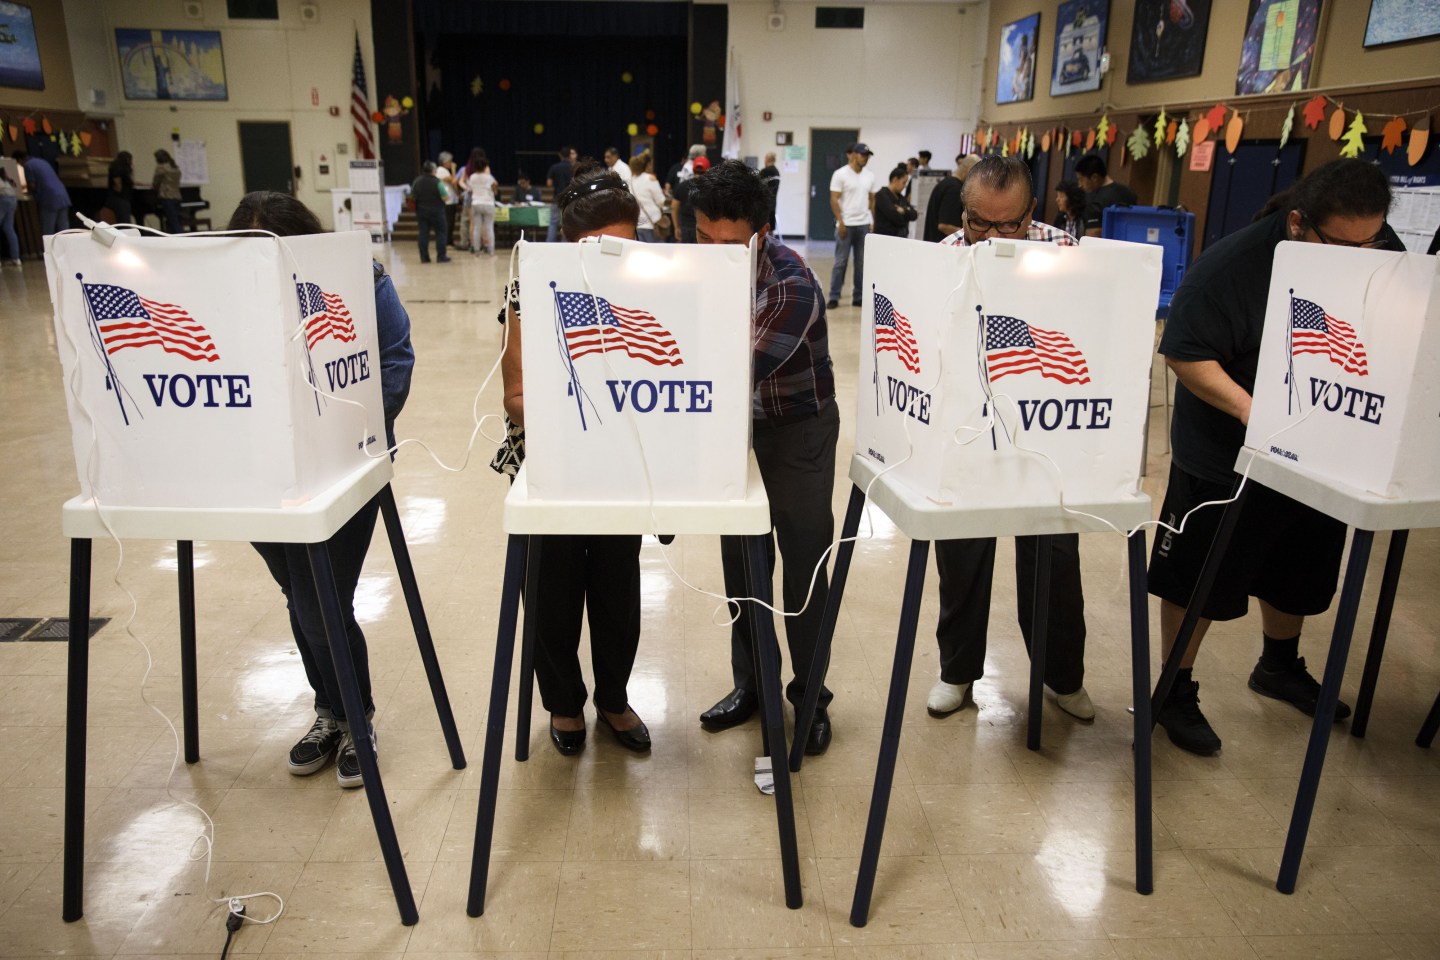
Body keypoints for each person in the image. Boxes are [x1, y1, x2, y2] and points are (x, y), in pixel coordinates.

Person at [1149, 159, 1403, 756]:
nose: (1362, 256)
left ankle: (1279, 666)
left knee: (1301, 562)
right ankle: (1174, 689)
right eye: (1345, 246)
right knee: (1202, 574)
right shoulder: (1232, 268)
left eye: (1372, 243)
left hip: (1318, 438)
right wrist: (1250, 410)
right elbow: (1184, 351)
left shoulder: (1367, 241)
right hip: (1224, 450)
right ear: (1298, 223)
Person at [226, 191, 415, 787]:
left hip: (343, 464)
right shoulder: (227, 293)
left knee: (320, 598)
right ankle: (331, 713)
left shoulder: (361, 278)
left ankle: (355, 719)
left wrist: (346, 434)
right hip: (260, 471)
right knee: (297, 593)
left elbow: (395, 359)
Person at [925, 156, 1095, 723]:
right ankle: (957, 673)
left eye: (1010, 225)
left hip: (1044, 430)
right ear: (964, 211)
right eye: (979, 223)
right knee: (962, 555)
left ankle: (1062, 676)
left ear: (1033, 214)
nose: (994, 238)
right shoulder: (943, 258)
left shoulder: (1065, 254)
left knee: (1054, 562)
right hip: (967, 429)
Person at [495, 162, 650, 756]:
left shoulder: (652, 285)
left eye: (624, 245)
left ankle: (613, 697)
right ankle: (563, 703)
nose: (612, 258)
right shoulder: (528, 288)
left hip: (622, 468)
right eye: (595, 247)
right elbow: (514, 400)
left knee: (618, 590)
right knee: (553, 593)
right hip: (554, 465)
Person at [689, 160, 839, 756]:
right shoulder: (692, 266)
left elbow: (732, 369)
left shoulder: (790, 284)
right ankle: (752, 685)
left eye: (730, 245)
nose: (713, 254)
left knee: (803, 568)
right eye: (702, 238)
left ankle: (809, 696)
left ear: (762, 232)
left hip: (796, 430)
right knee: (744, 568)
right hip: (732, 428)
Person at [827, 142, 876, 309]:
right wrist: (840, 221)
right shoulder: (840, 174)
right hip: (846, 225)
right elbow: (834, 199)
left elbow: (872, 199)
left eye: (867, 156)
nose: (865, 158)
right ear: (853, 154)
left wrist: (871, 220)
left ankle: (858, 296)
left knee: (861, 263)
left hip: (863, 225)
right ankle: (834, 296)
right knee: (840, 262)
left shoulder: (869, 176)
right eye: (862, 155)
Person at [1073, 154, 1137, 237]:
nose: (1080, 185)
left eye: (1081, 179)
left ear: (1094, 178)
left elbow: (1093, 236)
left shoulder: (1097, 202)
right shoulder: (1129, 193)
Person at [923, 153, 980, 243]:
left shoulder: (946, 183)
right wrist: (972, 235)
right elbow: (945, 225)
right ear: (969, 170)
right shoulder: (954, 189)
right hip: (942, 249)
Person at [14, 150, 70, 235]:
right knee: (64, 229)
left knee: (48, 229)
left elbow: (32, 185)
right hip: (62, 195)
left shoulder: (28, 165)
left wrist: (27, 192)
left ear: (19, 160)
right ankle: (67, 247)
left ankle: (48, 248)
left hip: (49, 198)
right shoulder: (41, 161)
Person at [410, 161, 450, 263]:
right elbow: (445, 197)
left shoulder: (417, 181)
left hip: (421, 211)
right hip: (437, 212)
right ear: (433, 170)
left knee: (423, 233)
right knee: (441, 233)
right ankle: (441, 256)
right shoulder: (438, 182)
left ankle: (424, 257)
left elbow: (412, 196)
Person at [669, 155, 709, 243]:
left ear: (693, 169)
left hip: (685, 228)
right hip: (703, 230)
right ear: (707, 170)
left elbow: (673, 207)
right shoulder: (710, 188)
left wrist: (676, 227)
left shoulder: (682, 185)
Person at [629, 152, 666, 243]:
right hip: (652, 223)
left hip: (638, 223)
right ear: (648, 164)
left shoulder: (630, 180)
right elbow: (661, 201)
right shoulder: (650, 178)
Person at [874, 163, 918, 238]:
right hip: (885, 238)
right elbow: (896, 218)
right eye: (903, 182)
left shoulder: (901, 198)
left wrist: (903, 211)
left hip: (900, 237)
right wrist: (906, 216)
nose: (905, 186)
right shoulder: (882, 195)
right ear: (895, 180)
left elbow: (914, 214)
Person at [466, 157, 498, 255]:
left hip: (476, 203)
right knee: (489, 227)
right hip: (488, 202)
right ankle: (491, 250)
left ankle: (476, 250)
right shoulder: (488, 177)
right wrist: (494, 192)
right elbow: (495, 184)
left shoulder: (472, 177)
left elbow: (470, 190)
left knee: (477, 227)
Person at [546, 145, 576, 242]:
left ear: (560, 155)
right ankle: (564, 244)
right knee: (566, 223)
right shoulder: (573, 168)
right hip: (569, 199)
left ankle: (549, 243)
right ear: (569, 156)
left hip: (557, 198)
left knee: (553, 222)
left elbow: (549, 184)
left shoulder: (554, 167)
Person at [152, 149, 183, 234]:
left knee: (173, 221)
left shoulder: (161, 168)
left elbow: (156, 182)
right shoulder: (175, 167)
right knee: (176, 220)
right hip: (177, 196)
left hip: (167, 196)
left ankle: (180, 238)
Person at [436, 151, 462, 248]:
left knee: (451, 222)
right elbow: (453, 181)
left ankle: (450, 240)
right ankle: (447, 241)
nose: (451, 163)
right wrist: (454, 169)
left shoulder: (445, 171)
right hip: (448, 201)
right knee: (448, 221)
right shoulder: (441, 171)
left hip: (452, 199)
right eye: (449, 161)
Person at [103, 151, 135, 225]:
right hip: (120, 197)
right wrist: (119, 189)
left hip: (121, 197)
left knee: (124, 219)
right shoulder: (118, 167)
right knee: (124, 220)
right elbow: (117, 182)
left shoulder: (119, 167)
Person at [0, 167, 21, 265]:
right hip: (12, 200)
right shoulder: (7, 180)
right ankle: (16, 258)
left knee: (8, 229)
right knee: (9, 229)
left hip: (2, 200)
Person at [758, 151, 781, 233]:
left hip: (763, 203)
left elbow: (757, 186)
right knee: (771, 225)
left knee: (762, 224)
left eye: (765, 158)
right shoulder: (777, 171)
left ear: (768, 159)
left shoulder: (765, 171)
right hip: (773, 202)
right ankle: (771, 243)